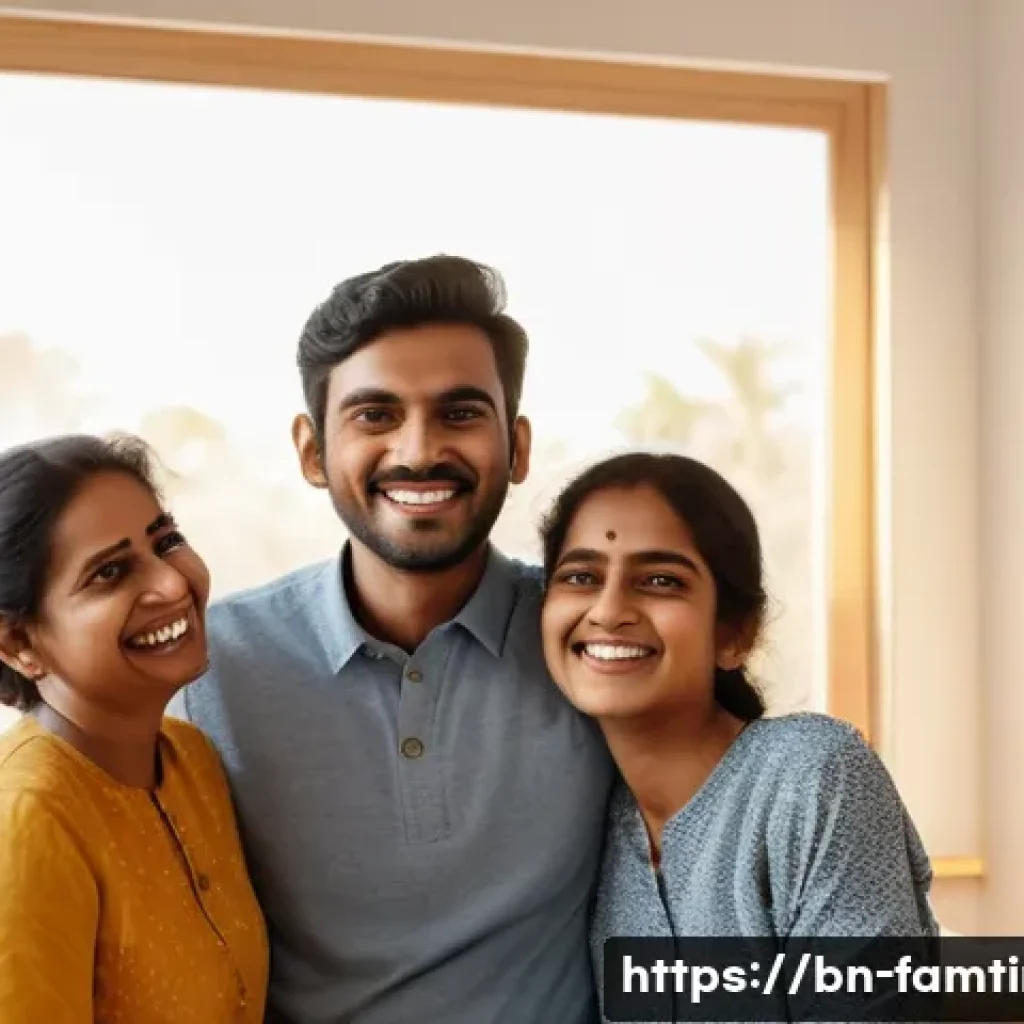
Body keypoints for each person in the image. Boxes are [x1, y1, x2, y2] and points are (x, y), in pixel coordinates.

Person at [172, 255, 615, 1023]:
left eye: (460, 413)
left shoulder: (592, 639)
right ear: (312, 451)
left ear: (517, 446)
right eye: (375, 415)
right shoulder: (211, 667)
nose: (419, 451)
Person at [538, 452, 939, 1017]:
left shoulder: (811, 776)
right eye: (581, 576)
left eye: (660, 580)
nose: (608, 610)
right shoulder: (586, 829)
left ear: (735, 635)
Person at [0, 434, 268, 1023]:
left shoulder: (189, 759)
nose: (173, 584)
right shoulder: (29, 818)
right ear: (18, 643)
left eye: (166, 542)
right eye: (111, 573)